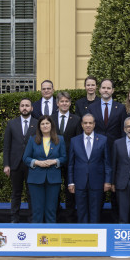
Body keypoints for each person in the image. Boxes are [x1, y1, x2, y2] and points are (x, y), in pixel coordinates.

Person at [68, 114, 111, 223]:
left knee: (95, 212)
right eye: (85, 123)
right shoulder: (74, 141)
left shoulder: (103, 140)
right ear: (82, 124)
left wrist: (107, 181)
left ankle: (95, 236)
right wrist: (70, 182)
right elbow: (71, 164)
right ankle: (83, 236)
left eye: (90, 123)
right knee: (81, 212)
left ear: (94, 124)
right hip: (79, 182)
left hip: (97, 182)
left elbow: (107, 162)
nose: (88, 125)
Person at [22, 115, 66, 223]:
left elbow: (64, 157)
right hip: (35, 179)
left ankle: (51, 236)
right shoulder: (32, 140)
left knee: (51, 210)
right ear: (39, 127)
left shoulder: (60, 139)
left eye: (47, 123)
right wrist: (38, 162)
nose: (45, 126)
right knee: (37, 210)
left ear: (51, 125)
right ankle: (36, 236)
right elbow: (26, 158)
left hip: (53, 179)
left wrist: (54, 161)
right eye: (42, 124)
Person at [3, 98, 38, 222]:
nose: (24, 107)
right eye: (22, 105)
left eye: (27, 105)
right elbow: (6, 146)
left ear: (31, 108)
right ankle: (14, 219)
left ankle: (32, 218)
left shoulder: (37, 123)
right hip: (15, 165)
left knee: (31, 193)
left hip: (32, 165)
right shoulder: (11, 124)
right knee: (16, 193)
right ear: (19, 108)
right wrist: (6, 164)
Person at [52, 91, 82, 219]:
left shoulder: (76, 119)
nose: (64, 104)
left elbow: (79, 140)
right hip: (54, 160)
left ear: (70, 103)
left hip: (71, 160)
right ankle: (55, 214)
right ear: (57, 103)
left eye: (67, 101)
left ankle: (70, 215)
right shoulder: (50, 118)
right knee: (54, 189)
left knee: (70, 189)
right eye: (62, 101)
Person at [89, 79, 127, 151]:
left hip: (115, 147)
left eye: (108, 88)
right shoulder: (92, 108)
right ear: (99, 90)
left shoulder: (121, 108)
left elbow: (123, 129)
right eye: (103, 88)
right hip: (96, 146)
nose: (106, 90)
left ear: (113, 90)